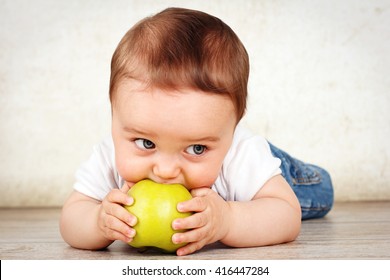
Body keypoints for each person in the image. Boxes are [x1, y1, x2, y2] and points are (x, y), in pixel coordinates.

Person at [60, 7, 334, 256]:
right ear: (114, 117)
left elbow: (287, 214)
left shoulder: (242, 154)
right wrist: (97, 221)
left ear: (232, 129)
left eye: (196, 149)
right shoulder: (109, 153)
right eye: (145, 143)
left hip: (275, 176)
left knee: (320, 190)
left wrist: (228, 219)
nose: (166, 171)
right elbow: (71, 217)